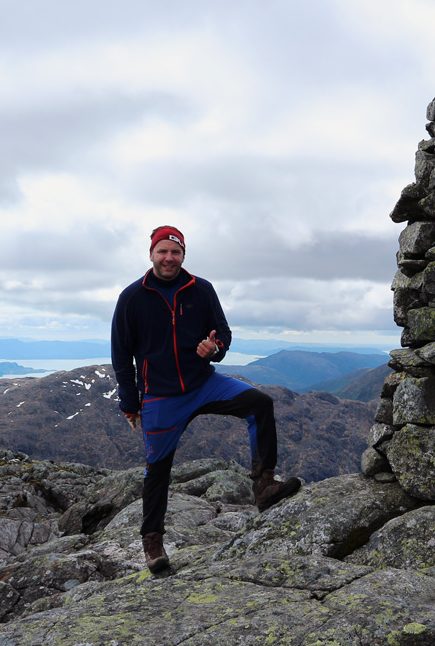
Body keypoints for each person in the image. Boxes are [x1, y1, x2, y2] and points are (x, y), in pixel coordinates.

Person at [111, 225, 301, 573]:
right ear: (151, 254)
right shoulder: (132, 298)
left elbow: (224, 334)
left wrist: (215, 349)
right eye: (163, 251)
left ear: (184, 255)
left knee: (260, 403)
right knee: (158, 471)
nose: (169, 258)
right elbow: (121, 355)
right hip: (162, 396)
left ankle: (264, 484)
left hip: (204, 383)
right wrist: (130, 402)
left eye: (176, 252)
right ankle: (152, 541)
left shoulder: (201, 290)